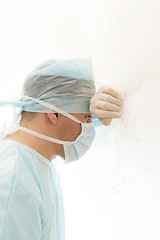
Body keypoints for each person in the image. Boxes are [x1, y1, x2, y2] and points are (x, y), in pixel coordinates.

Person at [0, 58, 123, 240]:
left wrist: (98, 116)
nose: (89, 126)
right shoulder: (15, 182)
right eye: (87, 117)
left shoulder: (33, 159)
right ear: (55, 113)